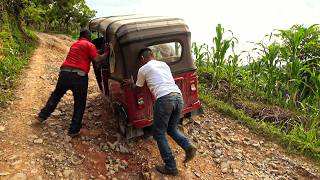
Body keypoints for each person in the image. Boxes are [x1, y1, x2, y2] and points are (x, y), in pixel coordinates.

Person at [125, 48, 197, 176]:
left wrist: (132, 83)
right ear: (153, 55)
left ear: (142, 59)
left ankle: (171, 166)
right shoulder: (164, 65)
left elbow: (138, 89)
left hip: (164, 99)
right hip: (178, 97)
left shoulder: (143, 69)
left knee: (159, 134)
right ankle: (188, 146)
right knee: (172, 129)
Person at [37, 29, 109, 137]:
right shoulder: (89, 44)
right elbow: (98, 59)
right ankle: (74, 129)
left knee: (56, 95)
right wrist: (107, 52)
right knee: (80, 103)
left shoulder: (75, 44)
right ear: (88, 37)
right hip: (79, 77)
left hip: (64, 73)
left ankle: (42, 115)